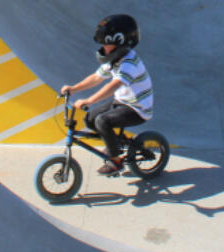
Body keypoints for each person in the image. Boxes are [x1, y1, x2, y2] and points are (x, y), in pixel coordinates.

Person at [60, 14, 155, 175]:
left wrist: (89, 100)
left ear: (121, 43)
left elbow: (113, 86)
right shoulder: (114, 59)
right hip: (122, 102)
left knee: (102, 121)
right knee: (90, 120)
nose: (103, 48)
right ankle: (114, 145)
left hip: (138, 109)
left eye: (106, 44)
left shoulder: (129, 64)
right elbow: (97, 78)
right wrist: (73, 88)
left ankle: (116, 161)